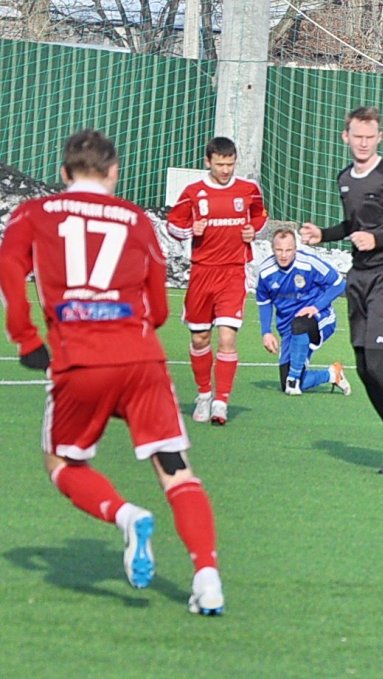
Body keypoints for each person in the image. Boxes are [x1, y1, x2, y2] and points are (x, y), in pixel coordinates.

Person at [0, 129, 224, 615]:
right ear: (114, 171)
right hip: (141, 359)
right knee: (175, 468)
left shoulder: (34, 213)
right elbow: (158, 307)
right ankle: (207, 578)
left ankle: (127, 516)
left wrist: (27, 339)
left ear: (64, 173)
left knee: (62, 463)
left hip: (80, 360)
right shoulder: (135, 219)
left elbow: (9, 269)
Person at [300, 106, 383, 476]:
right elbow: (353, 224)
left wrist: (378, 239)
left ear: (379, 137)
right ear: (345, 137)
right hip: (359, 278)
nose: (363, 143)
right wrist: (324, 234)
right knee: (364, 368)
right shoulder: (345, 178)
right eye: (357, 136)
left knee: (380, 364)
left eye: (369, 137)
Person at [166, 136, 268, 426]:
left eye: (230, 164)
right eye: (220, 164)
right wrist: (191, 229)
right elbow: (173, 224)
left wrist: (253, 230)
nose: (225, 170)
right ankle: (203, 394)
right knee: (200, 338)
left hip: (233, 273)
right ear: (208, 162)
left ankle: (221, 401)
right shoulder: (193, 192)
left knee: (227, 337)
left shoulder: (248, 189)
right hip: (202, 273)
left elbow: (260, 216)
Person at [256, 227, 353, 396]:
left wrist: (316, 307)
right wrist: (266, 332)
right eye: (279, 250)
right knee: (286, 384)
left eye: (288, 250)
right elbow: (264, 302)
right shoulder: (266, 272)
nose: (283, 255)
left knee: (300, 323)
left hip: (320, 318)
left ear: (295, 249)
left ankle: (294, 378)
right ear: (272, 249)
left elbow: (339, 283)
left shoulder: (309, 263)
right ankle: (332, 374)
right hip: (288, 329)